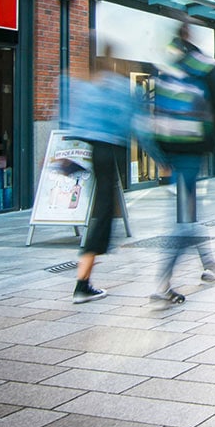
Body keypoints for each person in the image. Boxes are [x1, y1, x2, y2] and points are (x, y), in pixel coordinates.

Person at [151, 23, 215, 304]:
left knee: (188, 208)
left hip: (171, 150)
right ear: (193, 37)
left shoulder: (168, 67)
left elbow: (157, 111)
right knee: (184, 218)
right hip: (192, 150)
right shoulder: (205, 66)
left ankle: (210, 265)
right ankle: (163, 283)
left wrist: (161, 155)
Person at [63, 47, 134, 304]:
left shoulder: (84, 86)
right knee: (102, 214)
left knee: (102, 213)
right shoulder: (116, 86)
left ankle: (84, 280)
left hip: (90, 152)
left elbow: (70, 118)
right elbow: (133, 122)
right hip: (107, 152)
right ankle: (82, 284)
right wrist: (159, 157)